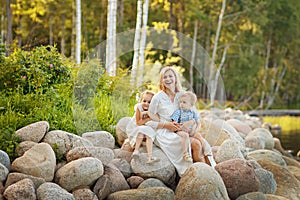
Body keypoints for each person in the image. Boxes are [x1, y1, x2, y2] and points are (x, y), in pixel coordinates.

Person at [148, 66, 194, 176]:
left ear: (175, 78)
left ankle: (208, 171)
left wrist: (187, 125)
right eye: (165, 77)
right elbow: (150, 117)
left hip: (181, 128)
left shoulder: (182, 95)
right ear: (161, 81)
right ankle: (185, 174)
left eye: (170, 76)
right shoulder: (158, 97)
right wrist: (165, 124)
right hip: (165, 130)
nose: (168, 79)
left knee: (198, 142)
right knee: (185, 142)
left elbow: (192, 114)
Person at [126, 90, 160, 164]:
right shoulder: (139, 107)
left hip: (146, 127)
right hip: (136, 127)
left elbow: (158, 118)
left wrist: (149, 114)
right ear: (141, 100)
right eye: (144, 101)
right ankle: (136, 150)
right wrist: (148, 118)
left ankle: (150, 157)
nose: (146, 104)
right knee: (142, 131)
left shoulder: (153, 110)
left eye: (149, 102)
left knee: (149, 134)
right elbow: (138, 123)